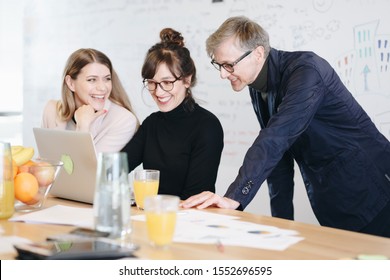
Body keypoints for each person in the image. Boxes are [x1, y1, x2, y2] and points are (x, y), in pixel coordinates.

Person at [181, 16, 390, 238]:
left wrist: (234, 197)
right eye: (219, 65)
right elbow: (278, 161)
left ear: (258, 53)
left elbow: (275, 138)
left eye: (229, 65)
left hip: (372, 189)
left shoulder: (307, 71)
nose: (223, 74)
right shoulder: (257, 85)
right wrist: (280, 227)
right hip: (333, 199)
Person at [121, 28, 224, 200]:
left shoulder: (207, 126)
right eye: (152, 83)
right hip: (154, 214)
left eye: (167, 82)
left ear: (187, 80)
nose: (158, 92)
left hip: (189, 219)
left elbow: (194, 197)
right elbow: (119, 166)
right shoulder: (151, 124)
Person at [42, 48, 139, 153]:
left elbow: (87, 167)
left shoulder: (123, 120)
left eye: (107, 79)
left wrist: (83, 126)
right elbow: (44, 165)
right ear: (70, 83)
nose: (102, 88)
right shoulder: (52, 110)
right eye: (92, 80)